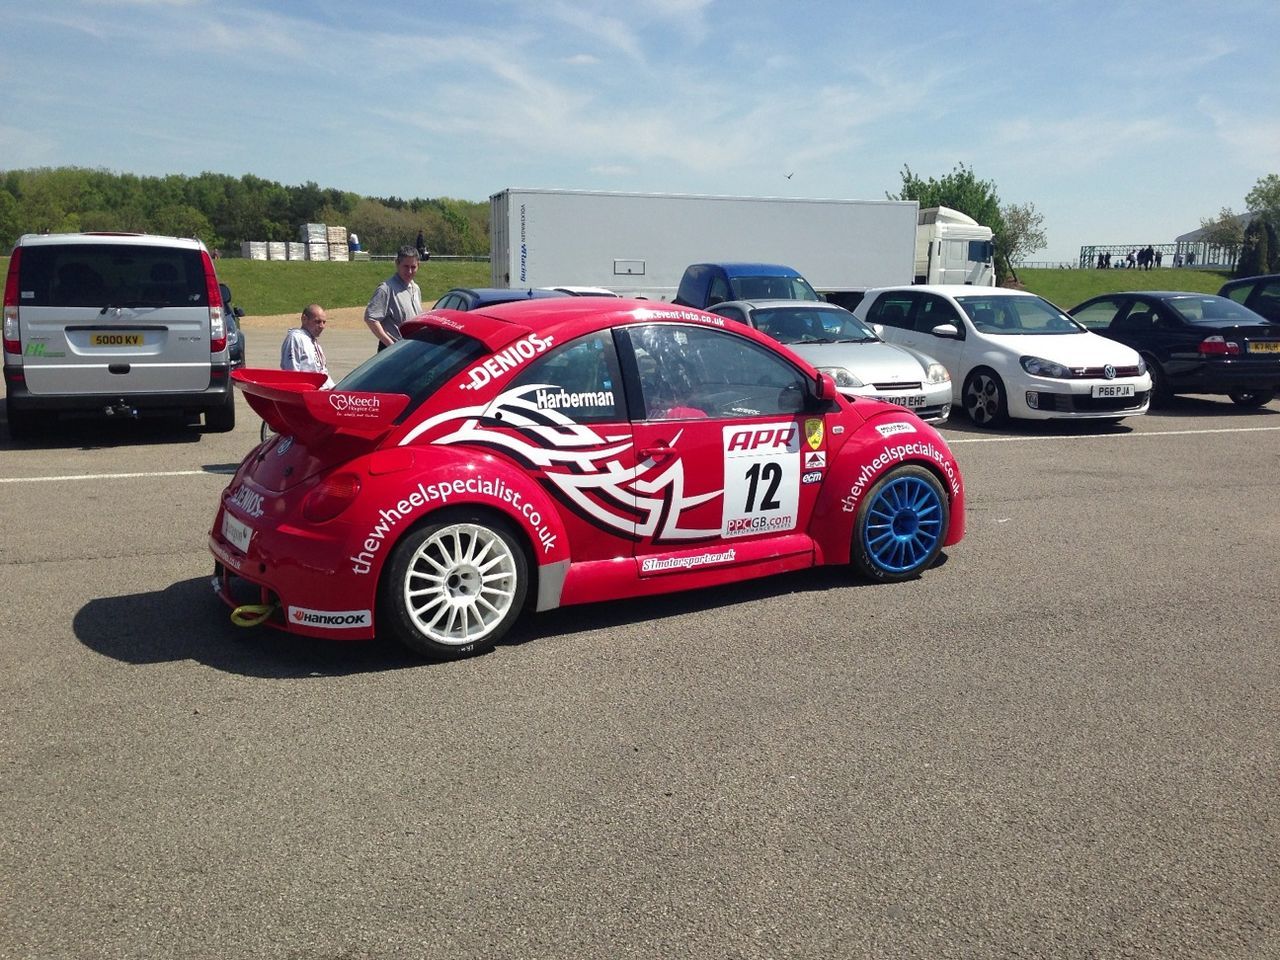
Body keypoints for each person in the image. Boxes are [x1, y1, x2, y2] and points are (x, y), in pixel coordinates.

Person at [364, 245, 422, 350]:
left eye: (413, 267)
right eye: (406, 266)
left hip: (411, 349)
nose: (409, 271)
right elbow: (371, 318)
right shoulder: (386, 289)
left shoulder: (416, 289)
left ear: (418, 266)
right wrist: (391, 346)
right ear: (397, 264)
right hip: (393, 352)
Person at [281, 303, 334, 389]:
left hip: (321, 394)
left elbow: (323, 373)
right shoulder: (295, 338)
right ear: (304, 319)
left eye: (324, 322)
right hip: (306, 395)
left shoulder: (314, 342)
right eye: (317, 321)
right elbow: (291, 372)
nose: (322, 326)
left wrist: (335, 391)